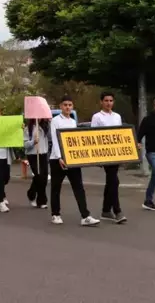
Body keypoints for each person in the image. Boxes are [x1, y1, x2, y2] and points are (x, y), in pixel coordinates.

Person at [49, 96, 100, 226]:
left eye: (70, 105)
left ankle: (85, 216)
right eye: (65, 105)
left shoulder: (72, 121)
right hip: (57, 159)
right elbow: (55, 140)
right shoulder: (55, 121)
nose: (67, 107)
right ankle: (55, 214)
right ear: (61, 106)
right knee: (56, 187)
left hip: (72, 159)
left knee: (78, 187)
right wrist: (60, 157)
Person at [91, 91, 127, 224]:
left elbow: (121, 134)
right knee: (114, 180)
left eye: (111, 101)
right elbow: (93, 136)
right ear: (101, 102)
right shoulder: (97, 117)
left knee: (111, 181)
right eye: (106, 101)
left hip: (116, 152)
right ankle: (117, 211)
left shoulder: (117, 116)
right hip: (104, 153)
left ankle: (106, 210)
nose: (108, 103)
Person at [24, 118, 50, 209]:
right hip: (33, 155)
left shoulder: (46, 127)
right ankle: (42, 200)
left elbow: (51, 138)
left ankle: (31, 192)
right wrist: (33, 142)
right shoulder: (28, 129)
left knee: (44, 177)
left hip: (43, 153)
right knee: (39, 176)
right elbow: (25, 144)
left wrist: (49, 122)